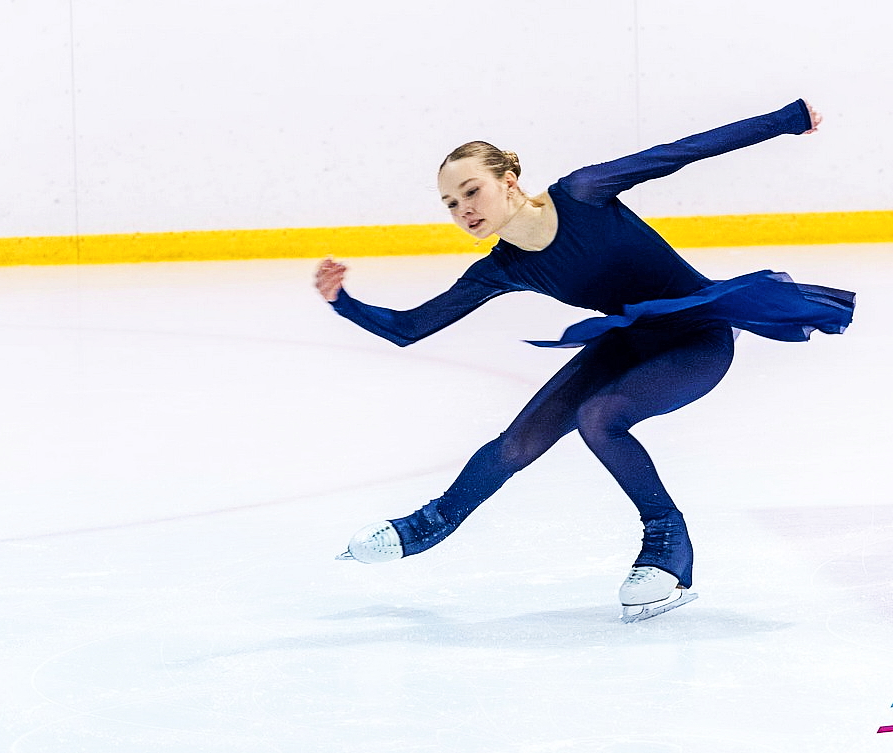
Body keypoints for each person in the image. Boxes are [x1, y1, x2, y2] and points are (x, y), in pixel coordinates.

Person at [315, 99, 855, 622]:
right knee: (517, 443)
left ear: (508, 181)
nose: (464, 210)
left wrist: (787, 120)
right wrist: (343, 302)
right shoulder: (501, 268)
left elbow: (682, 152)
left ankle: (667, 538)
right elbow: (411, 328)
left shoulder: (582, 194)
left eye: (471, 191)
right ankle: (430, 523)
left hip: (696, 338)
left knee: (598, 417)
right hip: (628, 341)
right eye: (451, 204)